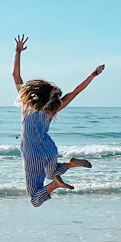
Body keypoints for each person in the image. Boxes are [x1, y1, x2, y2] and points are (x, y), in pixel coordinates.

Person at [12, 35, 105, 207]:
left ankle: (56, 184)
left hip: (31, 151)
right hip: (49, 148)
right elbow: (75, 92)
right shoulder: (52, 110)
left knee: (34, 199)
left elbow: (15, 76)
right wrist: (93, 74)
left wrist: (18, 52)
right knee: (52, 171)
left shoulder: (27, 104)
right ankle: (71, 164)